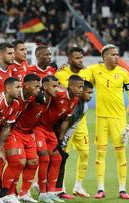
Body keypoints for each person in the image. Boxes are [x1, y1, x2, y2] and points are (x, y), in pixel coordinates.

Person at [84, 44, 129, 199]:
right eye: (113, 54)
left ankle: (122, 189)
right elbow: (79, 76)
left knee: (121, 154)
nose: (117, 57)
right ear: (105, 56)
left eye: (118, 54)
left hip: (119, 119)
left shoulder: (124, 73)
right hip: (101, 119)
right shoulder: (94, 70)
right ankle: (100, 188)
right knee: (100, 155)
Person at [35, 75, 83, 203]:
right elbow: (44, 95)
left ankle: (51, 192)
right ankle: (42, 192)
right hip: (39, 127)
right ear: (70, 86)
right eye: (78, 87)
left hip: (50, 130)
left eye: (82, 87)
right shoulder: (58, 94)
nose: (81, 90)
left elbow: (66, 120)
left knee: (57, 158)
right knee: (44, 158)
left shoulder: (75, 100)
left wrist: (61, 139)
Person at [0, 73, 41, 203]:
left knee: (34, 161)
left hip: (24, 132)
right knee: (19, 161)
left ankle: (23, 193)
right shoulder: (15, 98)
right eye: (36, 86)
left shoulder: (30, 98)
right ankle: (6, 193)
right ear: (26, 85)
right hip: (12, 131)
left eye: (39, 87)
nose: (39, 89)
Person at [54, 47, 90, 198]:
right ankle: (59, 186)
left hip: (80, 122)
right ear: (69, 60)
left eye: (82, 57)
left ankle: (78, 186)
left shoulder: (88, 73)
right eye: (77, 58)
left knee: (85, 153)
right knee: (62, 155)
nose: (80, 60)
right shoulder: (60, 74)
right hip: (64, 123)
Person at [56, 80, 94, 199]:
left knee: (62, 158)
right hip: (54, 131)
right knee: (52, 159)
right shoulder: (69, 101)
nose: (90, 96)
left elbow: (73, 125)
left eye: (91, 93)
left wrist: (64, 140)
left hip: (64, 134)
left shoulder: (85, 107)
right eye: (88, 92)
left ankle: (65, 188)